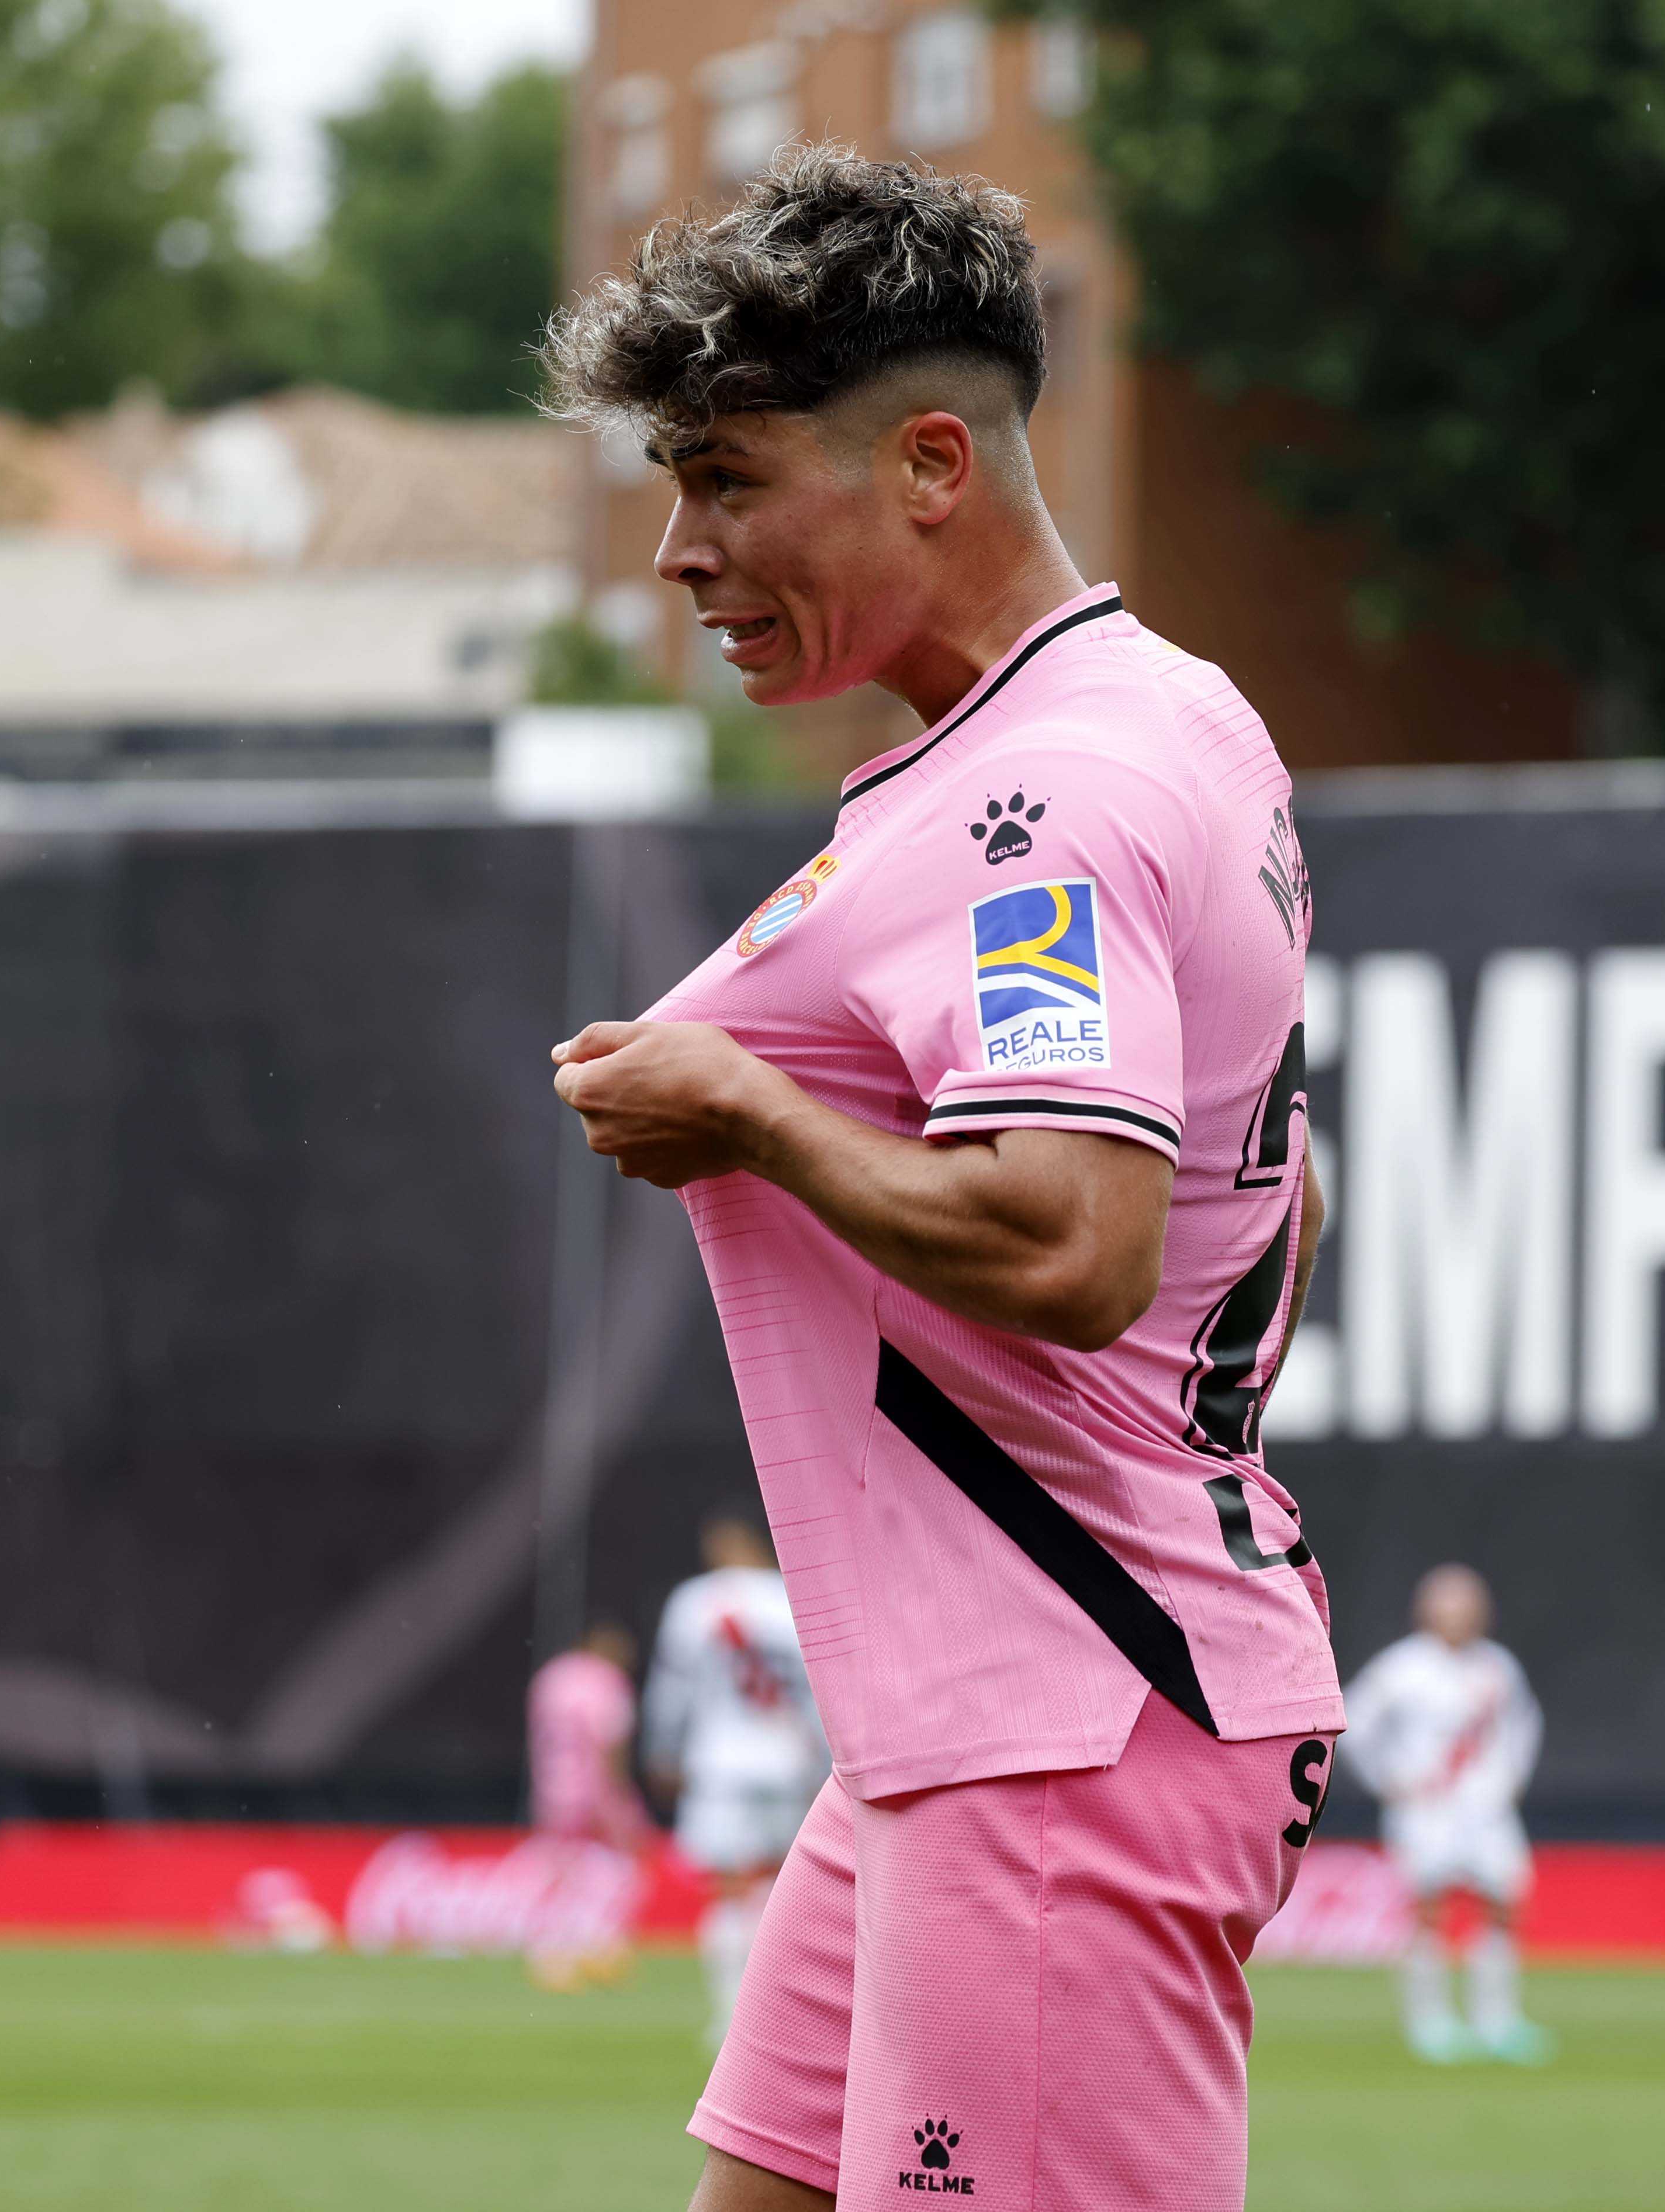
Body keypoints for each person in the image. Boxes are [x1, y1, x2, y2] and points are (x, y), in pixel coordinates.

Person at [542, 144, 1346, 2212]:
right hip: (988, 1702)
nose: (679, 551)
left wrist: (748, 1113)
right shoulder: (1165, 713)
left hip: (1063, 1715)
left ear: (926, 464)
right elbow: (1275, 1176)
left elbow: (1073, 1240)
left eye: (726, 481)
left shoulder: (1037, 800)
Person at [1345, 1565, 1546, 2065]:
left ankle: (1497, 2020)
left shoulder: (1497, 1667)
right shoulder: (1402, 1668)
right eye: (1448, 1605)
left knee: (1503, 1902)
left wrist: (1510, 1780)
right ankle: (1430, 2021)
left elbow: (1524, 1726)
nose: (1458, 1615)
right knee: (1429, 1909)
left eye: (1467, 1605)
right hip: (1427, 1809)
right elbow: (1353, 1722)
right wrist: (1388, 1780)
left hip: (1486, 1811)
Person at [645, 1516, 829, 2047]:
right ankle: (776, 2017)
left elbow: (672, 1686)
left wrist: (663, 1750)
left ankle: (730, 2021)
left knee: (726, 1891)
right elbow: (820, 1688)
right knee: (779, 1890)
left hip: (721, 1764)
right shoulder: (796, 1596)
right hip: (789, 1763)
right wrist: (824, 1758)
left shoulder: (695, 1602)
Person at [528, 1620, 654, 1992]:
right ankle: (599, 1947)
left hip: (552, 1786)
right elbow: (609, 1744)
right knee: (620, 1868)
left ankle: (554, 1955)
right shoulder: (607, 1681)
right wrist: (619, 1796)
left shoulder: (553, 1676)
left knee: (566, 1874)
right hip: (594, 1788)